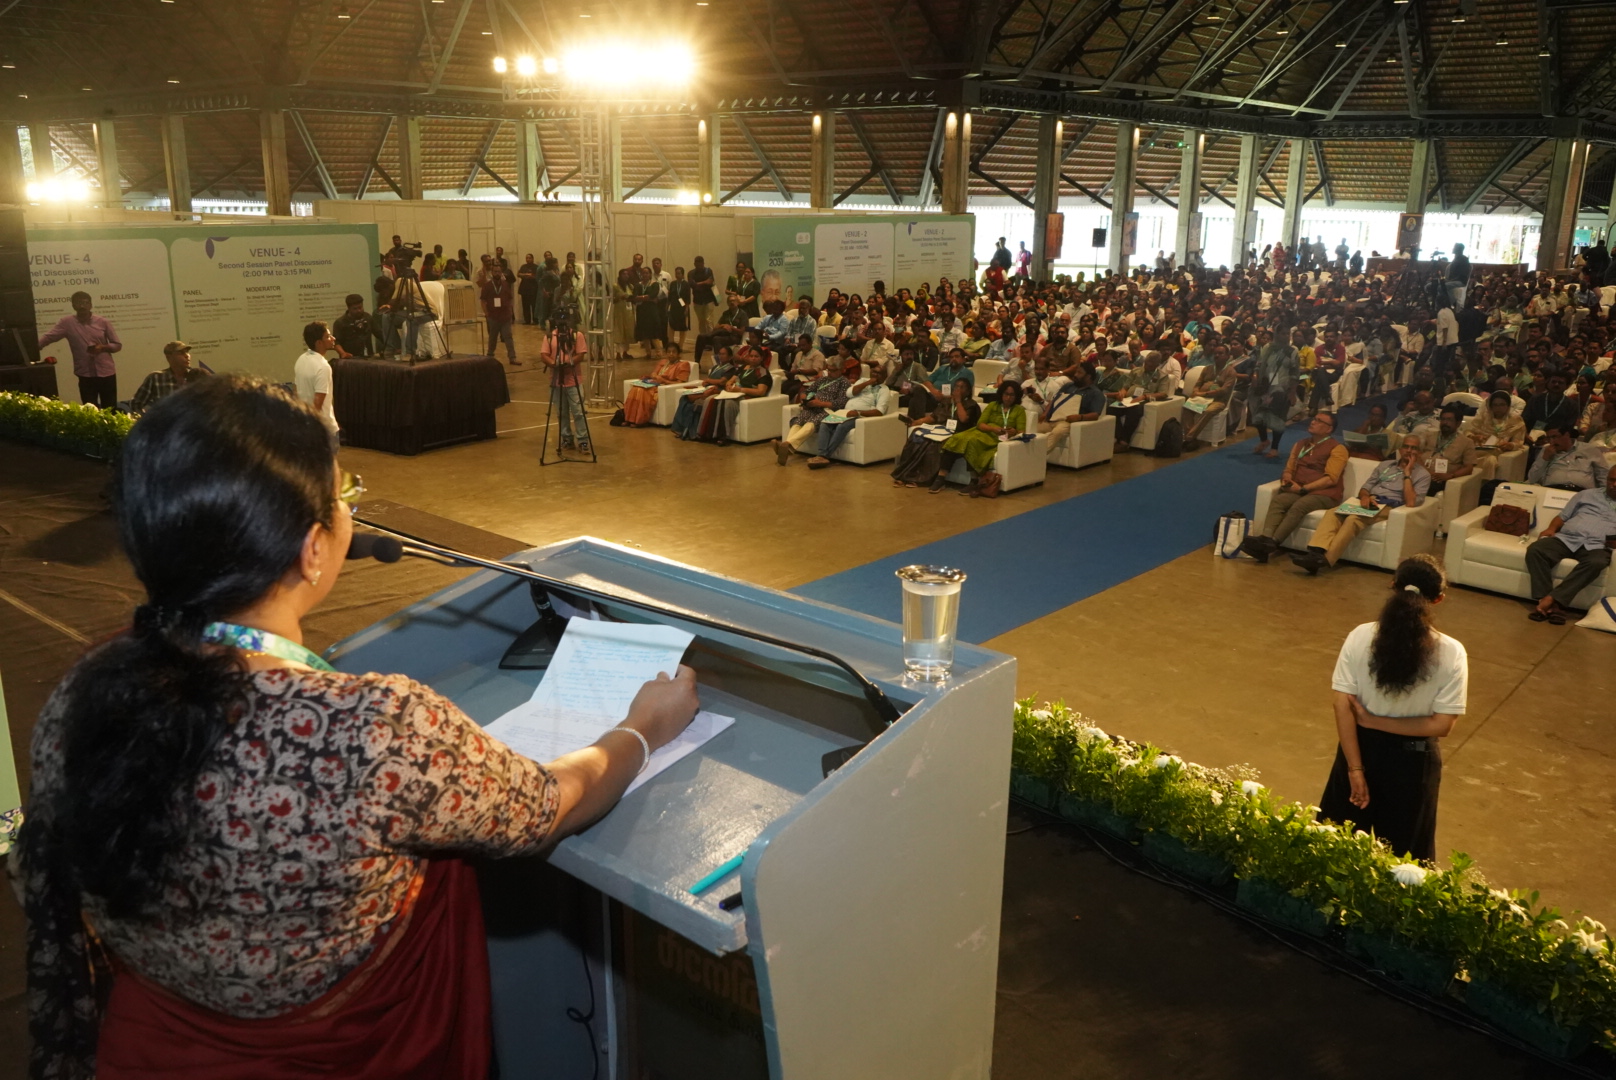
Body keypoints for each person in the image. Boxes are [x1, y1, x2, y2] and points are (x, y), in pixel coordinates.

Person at [18, 375, 699, 1080]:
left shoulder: (83, 694)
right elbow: (548, 804)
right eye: (343, 494)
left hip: (156, 1049)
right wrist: (642, 728)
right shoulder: (370, 729)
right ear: (313, 549)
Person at [1316, 554, 1467, 862]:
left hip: (1358, 750)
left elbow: (1342, 704)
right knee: (1406, 863)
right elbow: (1442, 725)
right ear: (1438, 599)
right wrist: (1375, 721)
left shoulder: (1360, 636)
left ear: (1393, 585)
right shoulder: (1452, 652)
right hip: (1414, 766)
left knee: (1333, 854)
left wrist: (1355, 769)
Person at [1291, 435, 1430, 574]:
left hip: (1390, 506)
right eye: (1406, 446)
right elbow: (1366, 487)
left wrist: (1407, 473)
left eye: (1414, 448)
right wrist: (1365, 497)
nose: (1409, 451)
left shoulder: (1422, 475)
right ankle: (1314, 553)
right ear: (1400, 449)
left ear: (1419, 452)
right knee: (1333, 512)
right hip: (1369, 501)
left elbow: (1411, 502)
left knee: (1353, 519)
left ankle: (1325, 560)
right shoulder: (1385, 465)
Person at [1240, 411, 1346, 562]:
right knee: (1279, 501)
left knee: (1300, 505)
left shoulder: (1337, 449)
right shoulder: (1300, 444)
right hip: (1298, 488)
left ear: (1329, 429)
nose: (1313, 422)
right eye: (1314, 419)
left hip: (1324, 493)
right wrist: (1287, 479)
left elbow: (1331, 479)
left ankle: (1273, 543)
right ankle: (1265, 539)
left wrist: (1304, 489)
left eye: (1319, 421)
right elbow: (1289, 468)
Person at [1525, 467, 1616, 623]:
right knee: (1536, 550)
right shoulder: (1586, 495)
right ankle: (1549, 603)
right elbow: (1562, 517)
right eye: (1612, 480)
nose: (1614, 484)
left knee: (1597, 562)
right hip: (1568, 538)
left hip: (1598, 546)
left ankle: (1551, 601)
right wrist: (1551, 529)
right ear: (1606, 480)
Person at [930, 381, 1027, 495]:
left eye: (1012, 395)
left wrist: (1014, 432)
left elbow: (1021, 432)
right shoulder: (993, 405)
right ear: (1001, 394)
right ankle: (941, 477)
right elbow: (980, 424)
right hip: (985, 431)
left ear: (1017, 396)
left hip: (997, 438)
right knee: (956, 438)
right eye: (1006, 394)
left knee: (972, 441)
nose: (1008, 398)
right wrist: (993, 429)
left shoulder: (1019, 410)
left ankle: (974, 481)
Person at [39, 290, 123, 409]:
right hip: (85, 373)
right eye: (79, 303)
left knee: (110, 408)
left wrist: (103, 347)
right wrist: (31, 350)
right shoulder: (67, 323)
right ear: (73, 306)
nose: (82, 306)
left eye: (85, 303)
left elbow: (117, 345)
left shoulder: (103, 322)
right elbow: (49, 337)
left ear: (91, 305)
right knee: (89, 409)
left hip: (106, 372)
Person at [806, 360, 897, 468]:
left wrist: (857, 412)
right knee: (825, 423)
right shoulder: (862, 381)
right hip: (844, 412)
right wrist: (867, 383)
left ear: (885, 376)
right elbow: (849, 393)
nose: (875, 375)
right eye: (874, 372)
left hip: (860, 416)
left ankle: (824, 456)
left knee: (842, 426)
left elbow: (879, 412)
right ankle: (822, 455)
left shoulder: (884, 390)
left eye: (879, 373)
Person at [891, 378, 977, 488]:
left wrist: (958, 401)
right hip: (940, 430)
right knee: (917, 435)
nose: (958, 390)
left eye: (962, 387)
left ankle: (920, 479)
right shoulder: (947, 402)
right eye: (956, 386)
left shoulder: (971, 404)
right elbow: (933, 417)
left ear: (968, 391)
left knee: (933, 445)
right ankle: (904, 475)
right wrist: (917, 422)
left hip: (957, 433)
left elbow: (964, 419)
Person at [774, 358, 851, 465]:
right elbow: (808, 390)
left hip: (828, 411)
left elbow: (840, 403)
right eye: (828, 370)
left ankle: (787, 445)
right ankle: (787, 446)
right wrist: (804, 397)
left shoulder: (844, 383)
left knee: (813, 422)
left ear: (841, 370)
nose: (830, 373)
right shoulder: (823, 380)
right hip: (813, 407)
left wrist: (821, 403)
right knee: (800, 420)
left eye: (833, 370)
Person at [1032, 360, 1104, 458]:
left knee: (1058, 432)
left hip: (1068, 421)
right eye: (1076, 372)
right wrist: (1045, 413)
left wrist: (1079, 417)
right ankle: (1023, 453)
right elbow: (1054, 400)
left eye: (1079, 373)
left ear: (1088, 376)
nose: (1075, 375)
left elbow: (1095, 414)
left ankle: (1036, 457)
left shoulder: (1096, 393)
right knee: (1033, 428)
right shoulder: (1068, 386)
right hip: (1053, 417)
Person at [541, 316, 590, 453]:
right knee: (561, 413)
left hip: (574, 381)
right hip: (556, 380)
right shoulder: (549, 337)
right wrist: (554, 364)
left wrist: (568, 363)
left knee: (578, 412)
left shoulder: (576, 336)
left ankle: (583, 440)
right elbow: (544, 355)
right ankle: (566, 438)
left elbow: (581, 355)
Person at [671, 345, 740, 441]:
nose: (721, 356)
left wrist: (708, 380)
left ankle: (692, 432)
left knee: (695, 402)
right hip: (707, 388)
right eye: (719, 354)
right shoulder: (715, 367)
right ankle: (680, 428)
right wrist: (706, 382)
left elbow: (722, 382)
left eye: (723, 354)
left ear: (730, 356)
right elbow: (710, 380)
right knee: (685, 398)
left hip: (718, 391)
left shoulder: (731, 369)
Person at [1250, 329, 1299, 458]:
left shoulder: (1292, 351)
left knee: (1277, 417)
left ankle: (1274, 448)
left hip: (1284, 386)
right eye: (1283, 333)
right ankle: (1264, 440)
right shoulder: (1268, 347)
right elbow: (1259, 363)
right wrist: (1255, 376)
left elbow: (1295, 372)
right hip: (1266, 383)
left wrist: (1292, 392)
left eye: (1287, 333)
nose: (1285, 336)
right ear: (1276, 335)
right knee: (1259, 415)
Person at [620, 345, 690, 427]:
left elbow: (680, 383)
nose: (671, 354)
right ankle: (628, 419)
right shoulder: (663, 362)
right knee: (635, 389)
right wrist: (652, 376)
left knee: (641, 391)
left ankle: (640, 421)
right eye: (669, 352)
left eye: (674, 352)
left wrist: (664, 381)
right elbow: (654, 373)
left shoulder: (683, 365)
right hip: (653, 384)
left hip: (662, 387)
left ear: (678, 354)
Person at [1526, 421, 1609, 490]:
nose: (1551, 442)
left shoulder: (1590, 450)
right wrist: (1545, 459)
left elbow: (1603, 476)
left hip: (1582, 493)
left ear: (1567, 435)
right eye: (1549, 438)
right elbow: (1532, 479)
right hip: (1553, 490)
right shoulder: (1546, 450)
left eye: (1554, 437)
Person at [130, 341, 207, 414]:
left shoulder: (197, 375)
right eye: (181, 353)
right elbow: (136, 404)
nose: (187, 356)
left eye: (187, 352)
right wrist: (149, 419)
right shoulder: (156, 378)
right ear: (169, 357)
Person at [1462, 391, 1527, 476]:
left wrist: (1510, 445)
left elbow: (1518, 442)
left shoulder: (1516, 421)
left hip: (1497, 451)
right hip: (1477, 448)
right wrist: (1473, 437)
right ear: (1490, 406)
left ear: (1508, 406)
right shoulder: (1483, 417)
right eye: (1495, 405)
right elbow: (1467, 431)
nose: (1498, 408)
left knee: (1490, 460)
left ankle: (1483, 483)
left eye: (1502, 405)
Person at [294, 321, 338, 436]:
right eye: (328, 336)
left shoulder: (301, 359)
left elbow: (296, 392)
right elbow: (318, 402)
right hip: (323, 429)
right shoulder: (323, 366)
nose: (333, 338)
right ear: (319, 343)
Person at [1421, 406, 1478, 494]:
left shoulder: (1466, 442)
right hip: (1423, 473)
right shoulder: (1428, 436)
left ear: (1458, 423)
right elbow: (1416, 454)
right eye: (1443, 419)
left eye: (1449, 420)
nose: (1445, 422)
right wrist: (1426, 471)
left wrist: (1451, 475)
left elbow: (1468, 468)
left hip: (1441, 479)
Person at [481, 265, 519, 366]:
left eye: (499, 271)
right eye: (495, 271)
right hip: (493, 316)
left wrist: (511, 311)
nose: (497, 273)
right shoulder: (487, 285)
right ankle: (490, 356)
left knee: (508, 337)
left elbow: (510, 299)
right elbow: (483, 300)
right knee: (492, 337)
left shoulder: (505, 284)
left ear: (501, 273)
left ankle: (512, 358)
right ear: (492, 273)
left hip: (505, 316)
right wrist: (486, 313)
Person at [331, 293, 376, 358]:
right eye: (355, 309)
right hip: (350, 359)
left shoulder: (368, 318)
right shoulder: (340, 323)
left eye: (360, 307)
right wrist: (343, 353)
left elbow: (379, 333)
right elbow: (336, 342)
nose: (359, 310)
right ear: (349, 308)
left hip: (369, 357)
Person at [688, 256, 718, 336]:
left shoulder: (708, 271)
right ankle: (703, 339)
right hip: (697, 300)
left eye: (700, 263)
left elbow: (710, 282)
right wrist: (704, 282)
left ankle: (710, 338)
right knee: (701, 321)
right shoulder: (691, 273)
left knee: (709, 320)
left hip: (709, 299)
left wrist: (698, 283)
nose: (699, 265)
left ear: (703, 263)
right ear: (694, 264)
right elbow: (692, 285)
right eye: (697, 263)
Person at [517, 254, 540, 324]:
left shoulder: (536, 267)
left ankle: (535, 320)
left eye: (529, 258)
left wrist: (532, 277)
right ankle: (527, 320)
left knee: (534, 306)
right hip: (525, 289)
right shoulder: (523, 266)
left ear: (532, 259)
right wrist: (525, 275)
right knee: (525, 306)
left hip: (533, 289)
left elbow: (538, 276)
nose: (528, 259)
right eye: (527, 258)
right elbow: (518, 274)